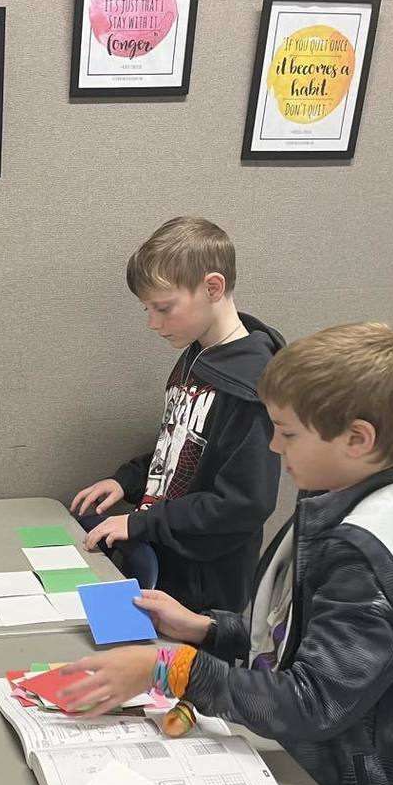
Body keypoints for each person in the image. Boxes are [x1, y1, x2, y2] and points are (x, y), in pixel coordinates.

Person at [61, 322, 393, 785]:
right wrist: (206, 628)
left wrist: (172, 665)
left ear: (357, 439)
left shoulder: (367, 548)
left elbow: (313, 700)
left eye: (288, 433)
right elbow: (291, 640)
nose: (274, 449)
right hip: (334, 778)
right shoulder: (341, 496)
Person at [72, 217, 284, 612]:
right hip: (166, 560)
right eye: (147, 309)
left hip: (205, 588)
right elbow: (181, 445)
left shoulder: (251, 386)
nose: (153, 323)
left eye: (163, 308)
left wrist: (140, 523)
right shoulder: (197, 354)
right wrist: (129, 480)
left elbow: (244, 503)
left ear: (213, 288)